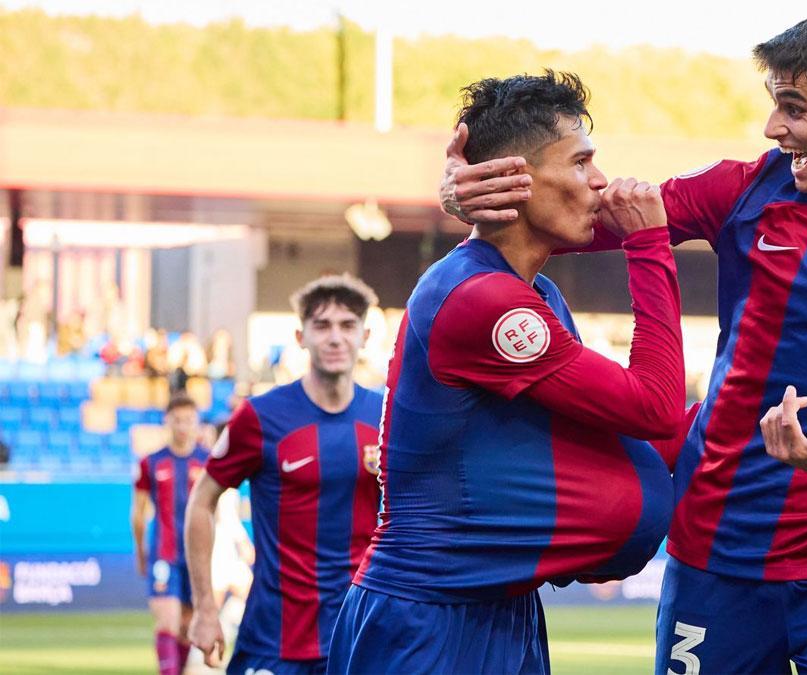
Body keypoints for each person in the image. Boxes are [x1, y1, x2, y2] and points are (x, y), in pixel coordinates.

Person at [443, 6, 807, 672]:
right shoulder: (749, 188)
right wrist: (473, 194)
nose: (774, 128)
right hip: (716, 557)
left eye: (794, 108)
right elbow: (575, 219)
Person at [327, 70, 684, 674]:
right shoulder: (481, 300)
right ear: (516, 179)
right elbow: (653, 407)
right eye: (580, 162)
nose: (599, 181)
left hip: (504, 609)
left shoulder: (534, 291)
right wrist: (649, 246)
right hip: (427, 619)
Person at [184, 274, 384, 674]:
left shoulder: (386, 417)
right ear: (300, 336)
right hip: (273, 642)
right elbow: (201, 502)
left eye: (347, 326)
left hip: (362, 638)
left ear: (364, 336)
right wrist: (206, 608)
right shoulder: (261, 418)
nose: (334, 338)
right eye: (321, 326)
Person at [131, 395, 208, 675]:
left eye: (188, 420)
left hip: (199, 556)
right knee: (168, 621)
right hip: (164, 554)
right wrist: (140, 552)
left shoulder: (207, 461)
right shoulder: (151, 462)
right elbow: (138, 513)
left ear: (196, 422)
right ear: (168, 422)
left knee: (187, 626)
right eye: (177, 420)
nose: (183, 426)